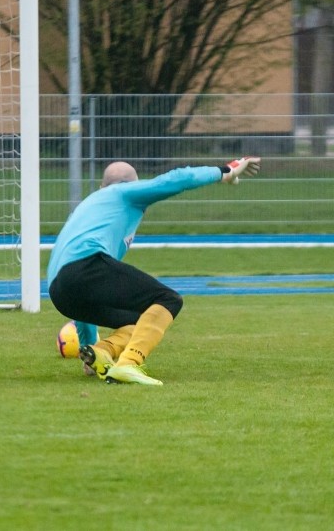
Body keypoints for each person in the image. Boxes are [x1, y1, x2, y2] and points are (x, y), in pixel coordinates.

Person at [47, 157, 261, 386]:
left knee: (142, 320)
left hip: (59, 292)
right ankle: (129, 363)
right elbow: (180, 178)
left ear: (101, 186)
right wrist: (225, 171)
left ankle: (101, 352)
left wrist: (87, 346)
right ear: (134, 185)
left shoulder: (89, 207)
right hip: (85, 266)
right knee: (167, 300)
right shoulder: (123, 193)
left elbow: (83, 293)